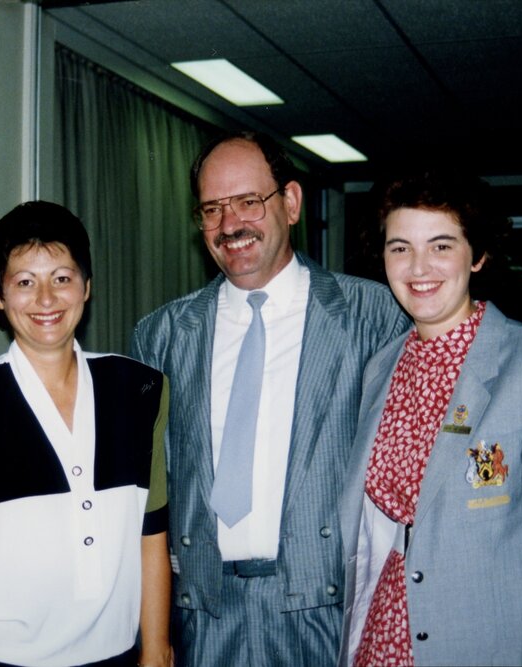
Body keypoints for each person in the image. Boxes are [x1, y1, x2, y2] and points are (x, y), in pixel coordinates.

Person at [129, 131, 410, 665]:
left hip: (327, 612)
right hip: (203, 618)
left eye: (248, 202)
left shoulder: (373, 317)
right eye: (212, 209)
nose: (230, 224)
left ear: (291, 202)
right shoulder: (162, 335)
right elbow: (152, 494)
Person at [338, 170, 522, 666]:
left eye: (441, 246)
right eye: (400, 248)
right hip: (380, 636)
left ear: (477, 255)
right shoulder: (381, 367)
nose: (419, 266)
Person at [0, 201, 172, 667]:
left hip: (116, 655)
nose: (46, 299)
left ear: (87, 287)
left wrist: (155, 652)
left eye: (62, 278)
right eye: (25, 282)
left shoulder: (140, 388)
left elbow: (152, 533)